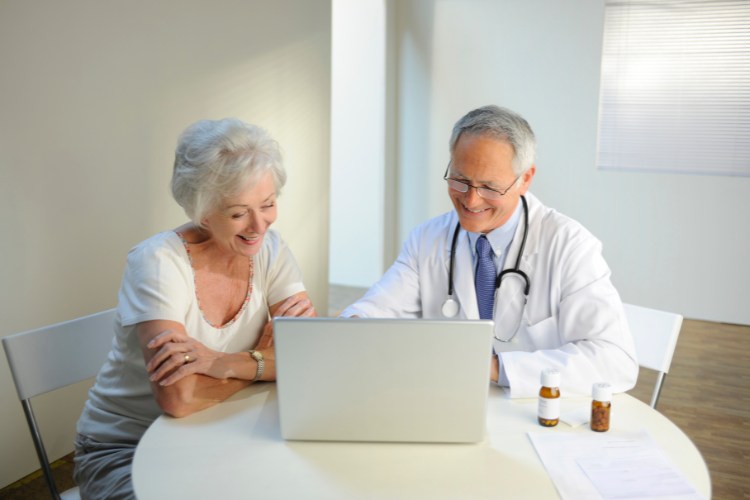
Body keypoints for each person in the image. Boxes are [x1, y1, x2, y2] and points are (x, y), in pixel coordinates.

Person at [74, 118, 316, 499]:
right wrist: (266, 363)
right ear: (202, 211)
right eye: (239, 213)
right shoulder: (157, 263)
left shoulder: (272, 249)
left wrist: (222, 363)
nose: (259, 225)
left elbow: (308, 358)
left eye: (268, 204)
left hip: (227, 430)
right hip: (128, 449)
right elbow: (179, 398)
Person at [342, 105, 638, 398]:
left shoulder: (569, 246)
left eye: (489, 187)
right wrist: (352, 329)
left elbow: (614, 361)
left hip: (538, 416)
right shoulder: (427, 240)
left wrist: (493, 368)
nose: (471, 200)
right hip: (450, 405)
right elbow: (375, 311)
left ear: (525, 179)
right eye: (460, 180)